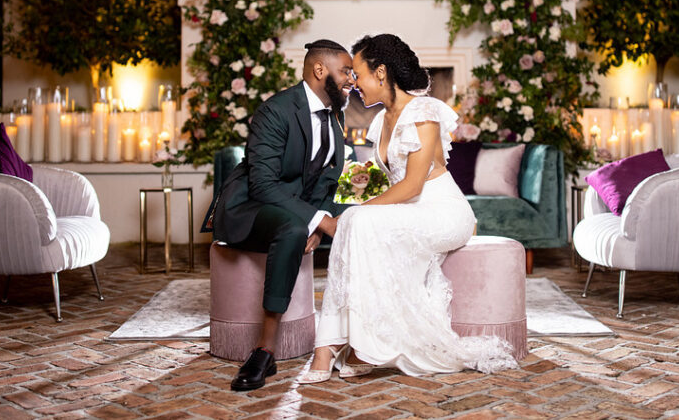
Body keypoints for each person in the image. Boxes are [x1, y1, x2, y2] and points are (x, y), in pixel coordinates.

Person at [301, 34, 516, 382]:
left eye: (358, 73)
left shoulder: (423, 111)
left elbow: (414, 185)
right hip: (411, 212)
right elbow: (393, 186)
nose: (352, 83)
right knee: (358, 225)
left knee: (356, 220)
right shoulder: (382, 119)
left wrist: (355, 213)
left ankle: (336, 350)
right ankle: (346, 346)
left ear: (381, 73)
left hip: (443, 212)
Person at [210, 39, 355, 391]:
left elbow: (327, 180)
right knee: (292, 229)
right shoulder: (276, 110)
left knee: (339, 215)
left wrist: (317, 226)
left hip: (292, 211)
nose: (352, 79)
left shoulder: (335, 115)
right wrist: (318, 220)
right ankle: (265, 350)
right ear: (320, 70)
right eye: (346, 71)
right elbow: (261, 184)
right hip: (250, 209)